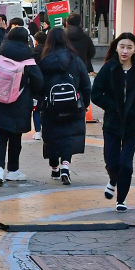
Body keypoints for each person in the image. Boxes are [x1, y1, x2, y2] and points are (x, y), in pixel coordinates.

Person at [91, 33, 135, 210]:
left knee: (126, 164)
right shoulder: (109, 68)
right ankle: (113, 179)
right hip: (112, 123)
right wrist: (112, 107)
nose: (125, 51)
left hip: (132, 125)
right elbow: (96, 94)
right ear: (116, 48)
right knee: (112, 162)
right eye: (122, 46)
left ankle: (121, 199)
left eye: (129, 47)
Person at [0, 24, 41, 184]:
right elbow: (39, 81)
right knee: (15, 138)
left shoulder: (0, 52)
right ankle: (13, 170)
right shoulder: (28, 58)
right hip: (18, 104)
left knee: (0, 138)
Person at [36, 26, 91, 183]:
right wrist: (84, 103)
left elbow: (40, 85)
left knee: (52, 136)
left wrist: (42, 101)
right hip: (73, 105)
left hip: (51, 106)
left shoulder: (45, 61)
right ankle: (65, 166)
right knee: (69, 135)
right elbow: (86, 84)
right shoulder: (75, 59)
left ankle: (55, 169)